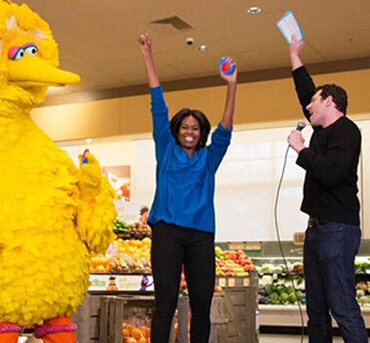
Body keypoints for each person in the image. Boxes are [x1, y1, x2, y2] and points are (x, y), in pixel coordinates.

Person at [137, 33, 237, 343]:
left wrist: (232, 85)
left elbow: (226, 128)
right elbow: (158, 103)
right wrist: (148, 56)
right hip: (167, 233)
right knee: (164, 305)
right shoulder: (165, 148)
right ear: (177, 130)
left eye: (195, 128)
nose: (189, 132)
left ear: (201, 132)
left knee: (201, 308)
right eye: (184, 127)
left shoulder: (209, 158)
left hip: (200, 238)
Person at [286, 35, 367, 343]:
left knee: (342, 306)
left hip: (338, 230)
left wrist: (300, 151)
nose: (308, 106)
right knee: (316, 308)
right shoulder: (320, 127)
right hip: (316, 230)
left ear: (330, 103)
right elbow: (305, 89)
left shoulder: (347, 131)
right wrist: (294, 55)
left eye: (314, 102)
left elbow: (333, 173)